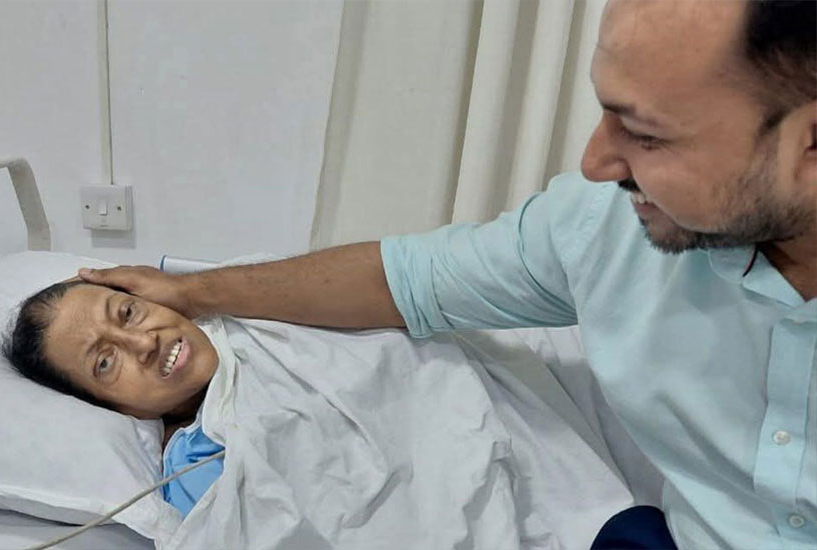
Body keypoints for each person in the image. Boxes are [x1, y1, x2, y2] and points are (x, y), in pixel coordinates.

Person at [77, 1, 816, 548]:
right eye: (604, 111)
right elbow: (402, 281)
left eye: (647, 134)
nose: (595, 161)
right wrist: (193, 291)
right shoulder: (600, 227)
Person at [3, 281, 225, 517]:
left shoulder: (243, 307)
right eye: (105, 362)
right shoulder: (197, 477)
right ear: (107, 406)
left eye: (128, 313)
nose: (146, 342)